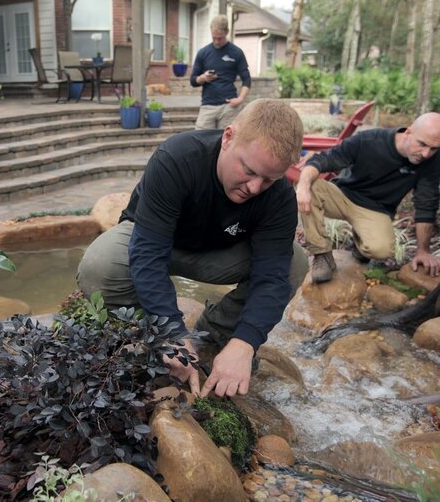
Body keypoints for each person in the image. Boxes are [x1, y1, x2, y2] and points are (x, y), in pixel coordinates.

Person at [77, 99, 308, 398]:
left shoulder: (278, 196)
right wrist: (170, 331)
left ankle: (215, 338)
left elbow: (272, 277)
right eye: (249, 171)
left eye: (268, 179)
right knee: (99, 264)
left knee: (295, 262)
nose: (254, 187)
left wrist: (245, 342)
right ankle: (144, 339)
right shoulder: (177, 158)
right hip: (156, 240)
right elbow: (147, 254)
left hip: (222, 251)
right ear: (228, 137)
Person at [295, 112, 440, 284]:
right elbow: (322, 160)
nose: (426, 154)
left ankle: (360, 243)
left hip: (375, 209)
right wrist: (302, 186)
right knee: (311, 185)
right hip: (343, 196)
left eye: (434, 148)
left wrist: (423, 251)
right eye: (422, 144)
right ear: (408, 132)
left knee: (382, 250)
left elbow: (426, 203)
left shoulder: (433, 159)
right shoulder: (369, 141)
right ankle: (322, 255)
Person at [190, 14, 252, 130]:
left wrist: (240, 99)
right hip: (208, 106)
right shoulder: (203, 53)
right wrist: (203, 78)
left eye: (220, 38)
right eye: (214, 38)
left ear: (227, 32)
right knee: (202, 141)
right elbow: (193, 81)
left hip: (229, 107)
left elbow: (247, 79)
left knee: (226, 143)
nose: (217, 41)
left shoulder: (236, 53)